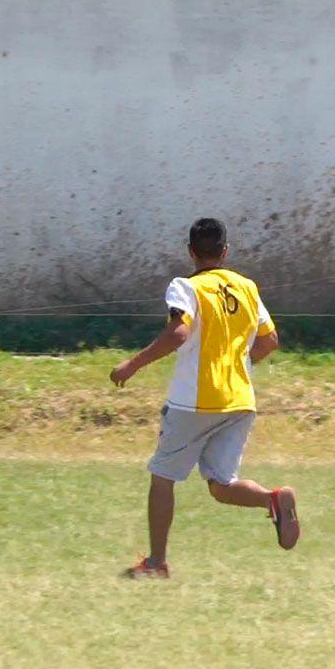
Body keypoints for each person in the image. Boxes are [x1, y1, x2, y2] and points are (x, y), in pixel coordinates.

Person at [108, 218, 300, 578]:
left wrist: (132, 364)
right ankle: (272, 499)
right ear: (225, 252)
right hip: (240, 399)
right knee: (221, 485)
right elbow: (270, 341)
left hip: (194, 401)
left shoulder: (185, 286)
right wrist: (239, 363)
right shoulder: (246, 286)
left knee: (163, 477)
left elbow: (179, 333)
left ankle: (156, 563)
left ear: (191, 252)